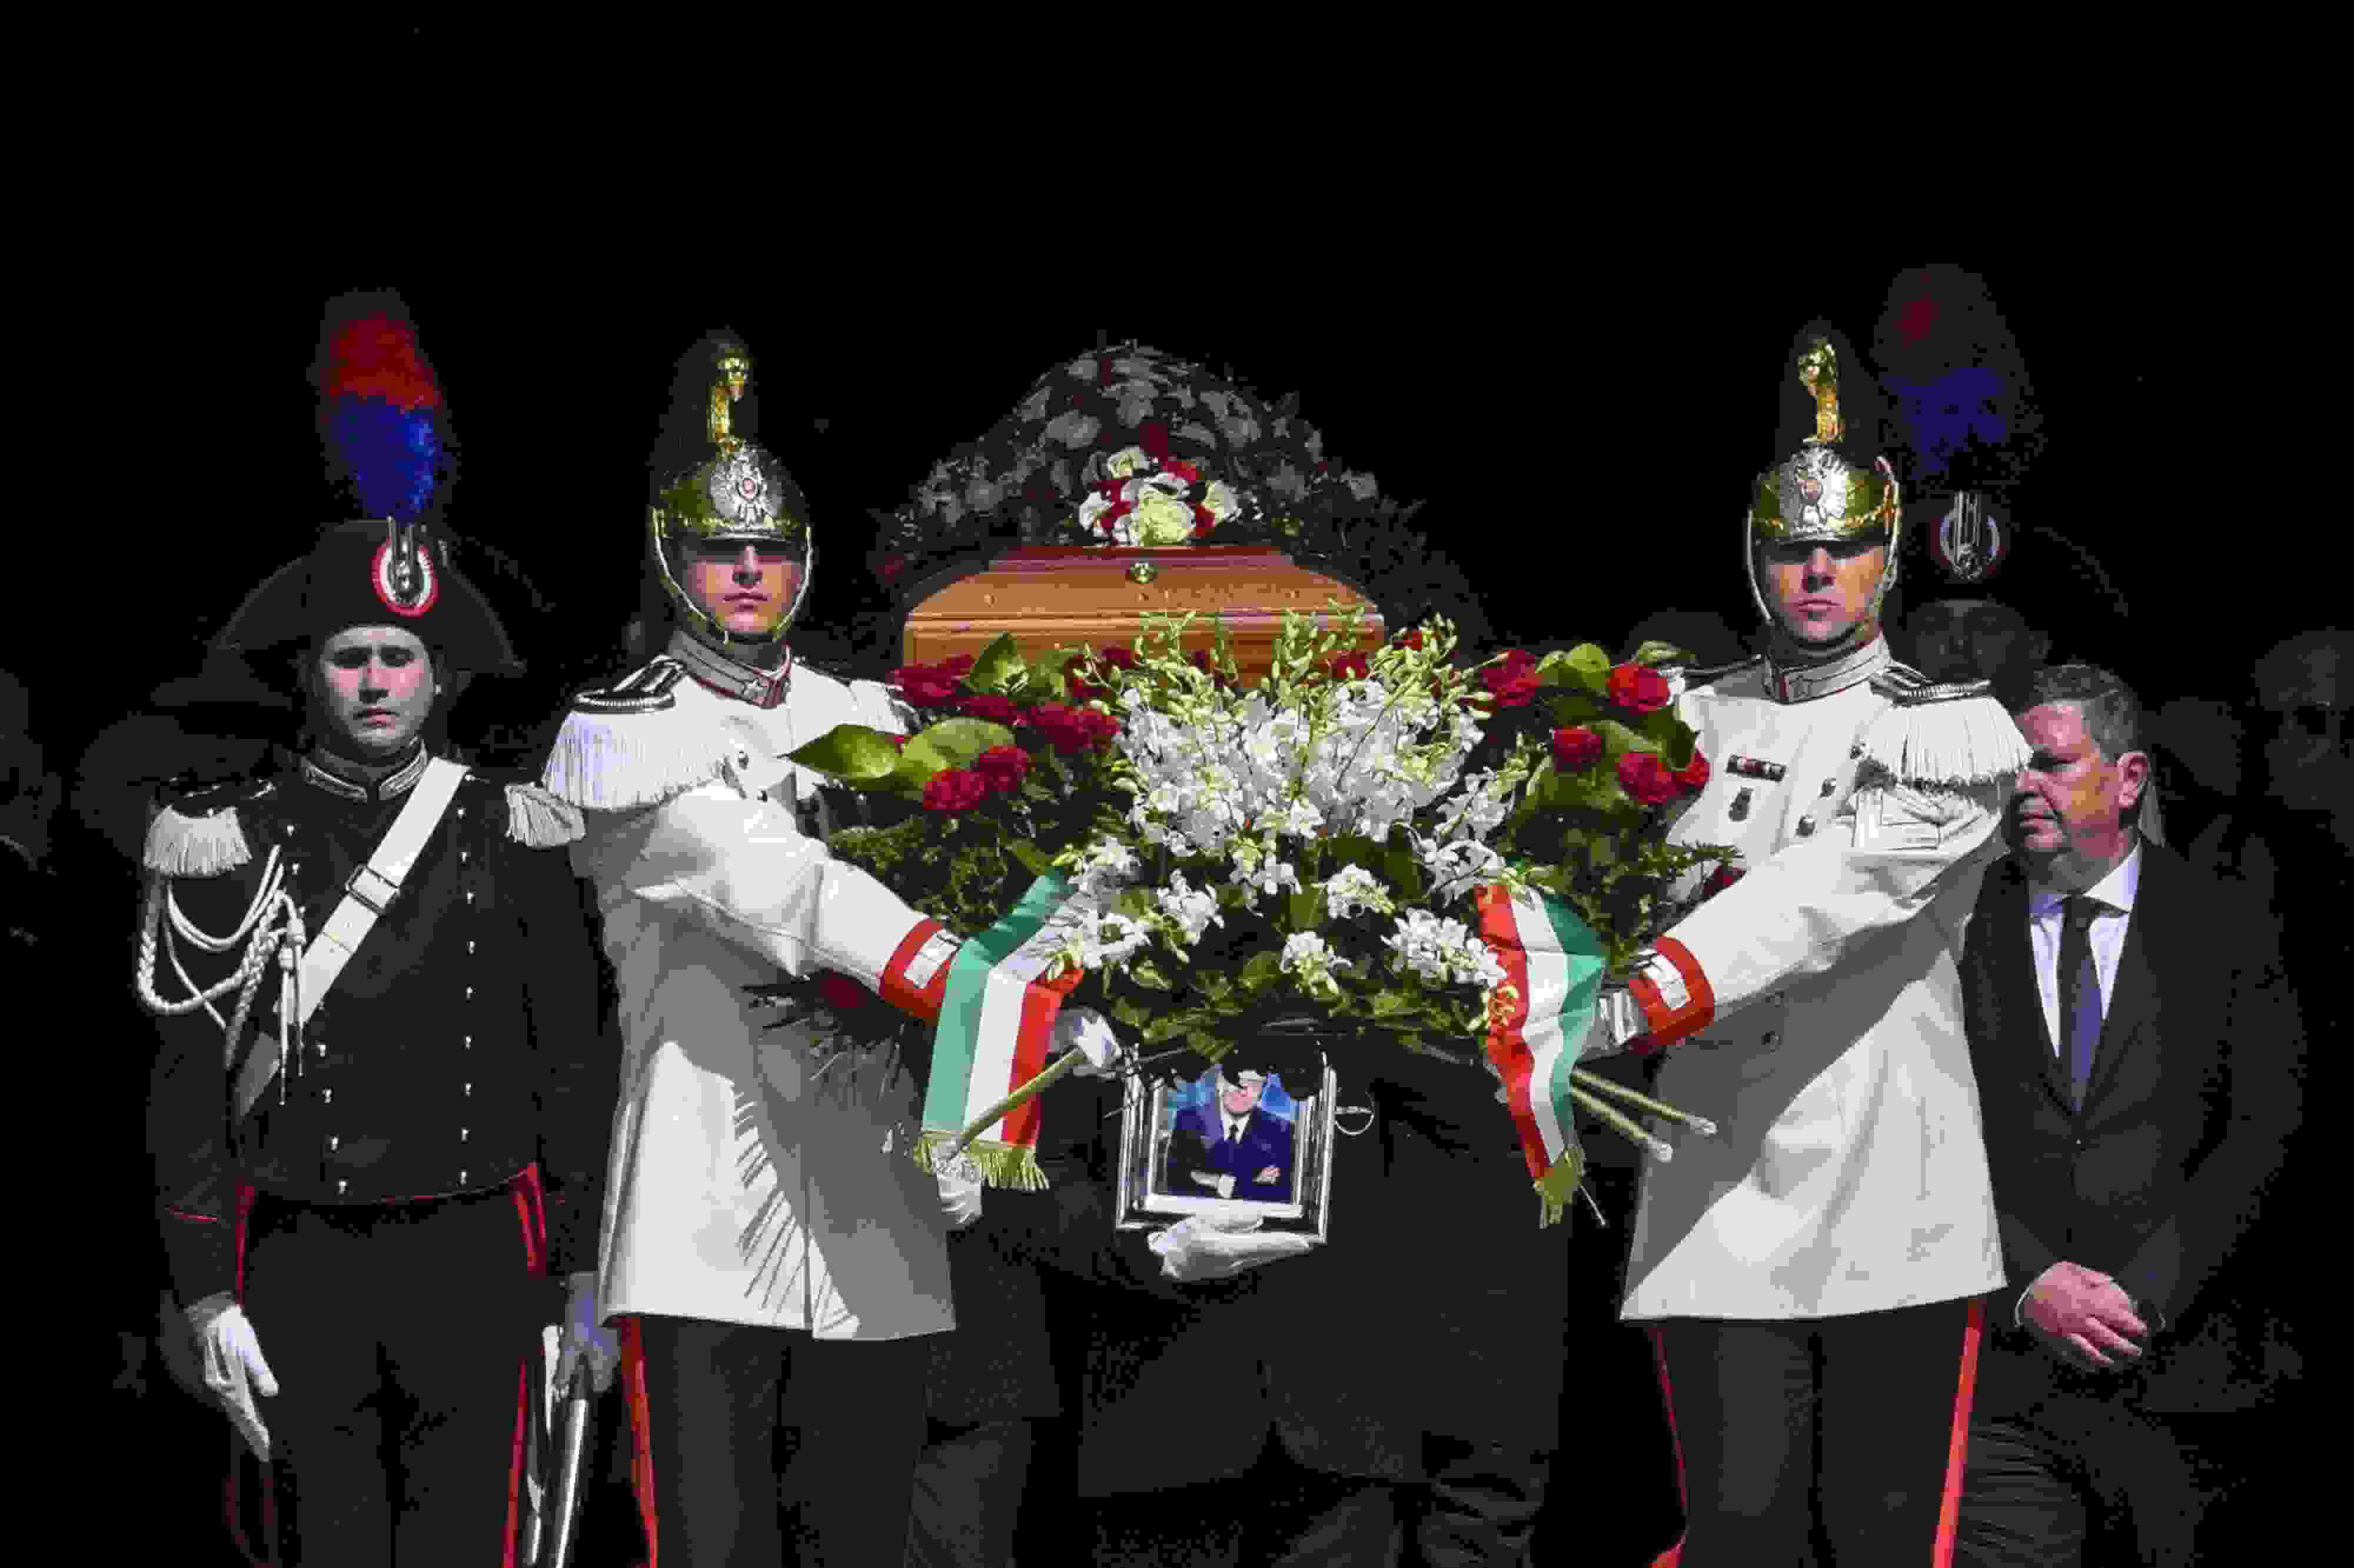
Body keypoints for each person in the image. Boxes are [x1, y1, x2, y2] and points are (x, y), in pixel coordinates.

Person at [1579, 324, 2029, 1564]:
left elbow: (1830, 891)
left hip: (1886, 1192)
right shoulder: (1681, 720)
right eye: (1791, 549)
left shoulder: (1946, 733)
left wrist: (1639, 994)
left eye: (1843, 548)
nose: (1817, 572)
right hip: (1715, 1183)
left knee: (1884, 1542)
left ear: (1887, 559)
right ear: (1753, 557)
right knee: (1735, 1535)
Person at [537, 332, 981, 1568]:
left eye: (769, 550)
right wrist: (981, 984)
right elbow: (778, 888)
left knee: (862, 1543)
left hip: (876, 1208)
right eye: (719, 551)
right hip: (707, 1214)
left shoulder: (870, 717)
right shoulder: (619, 732)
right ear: (673, 562)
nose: (746, 572)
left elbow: (975, 873)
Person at [137, 505, 619, 1563]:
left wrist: (586, 1276)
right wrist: (208, 1293)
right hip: (302, 1258)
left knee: (471, 1542)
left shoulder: (510, 830)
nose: (374, 682)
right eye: (349, 657)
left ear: (438, 678)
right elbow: (188, 1096)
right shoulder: (233, 839)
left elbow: (575, 1068)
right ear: (310, 673)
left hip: (478, 1251)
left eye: (397, 658)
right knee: (324, 1544)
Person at [1952, 663, 2305, 1566]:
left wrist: (2144, 1295)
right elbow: (1927, 1134)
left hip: (2186, 1381)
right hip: (2005, 1388)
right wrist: (2030, 1283)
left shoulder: (2225, 920)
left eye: (2050, 763)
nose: (2023, 786)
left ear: (2130, 778)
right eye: (2009, 767)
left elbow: (2263, 1129)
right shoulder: (1957, 929)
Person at [1164, 1066, 1296, 1201]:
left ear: (1262, 1092)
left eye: (1253, 1085)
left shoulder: (1281, 1131)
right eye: (1236, 1081)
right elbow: (1177, 1183)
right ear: (1220, 1083)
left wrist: (1216, 1182)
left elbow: (1280, 1194)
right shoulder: (1189, 1120)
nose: (1242, 1091)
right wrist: (1253, 1184)